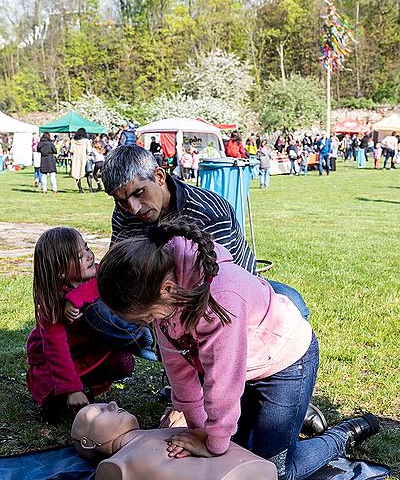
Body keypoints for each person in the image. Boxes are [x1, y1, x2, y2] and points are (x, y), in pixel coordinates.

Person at [96, 220, 380, 480]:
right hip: (246, 367)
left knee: (270, 472)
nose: (148, 324)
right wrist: (198, 429)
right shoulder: (161, 293)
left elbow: (223, 379)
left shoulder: (221, 298)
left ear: (166, 290)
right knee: (239, 450)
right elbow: (177, 367)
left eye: (146, 317)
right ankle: (289, 413)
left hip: (285, 361)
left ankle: (342, 435)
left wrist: (213, 443)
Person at [68, 145, 324, 435]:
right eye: (122, 201)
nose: (133, 209)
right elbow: (123, 278)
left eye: (139, 194)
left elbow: (229, 285)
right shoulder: (125, 213)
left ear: (159, 176)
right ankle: (197, 367)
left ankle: (281, 390)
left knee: (289, 301)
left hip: (224, 298)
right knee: (102, 312)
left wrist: (196, 416)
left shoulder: (208, 210)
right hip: (164, 303)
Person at [72, 401, 277, 480]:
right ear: (88, 442)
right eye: (97, 412)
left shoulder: (170, 428)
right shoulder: (114, 466)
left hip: (250, 477)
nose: (112, 404)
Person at [26, 227, 134, 421]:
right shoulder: (52, 303)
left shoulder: (98, 274)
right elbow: (56, 350)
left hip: (88, 352)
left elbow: (109, 278)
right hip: (58, 362)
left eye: (87, 248)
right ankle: (67, 395)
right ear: (60, 271)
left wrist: (76, 297)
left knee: (123, 362)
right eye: (79, 255)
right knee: (56, 409)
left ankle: (83, 389)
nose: (89, 255)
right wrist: (71, 388)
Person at [70, 128, 93, 193]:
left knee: (77, 174)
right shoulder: (86, 141)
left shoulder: (73, 141)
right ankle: (90, 189)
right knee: (88, 175)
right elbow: (89, 150)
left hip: (76, 159)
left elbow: (71, 151)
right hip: (84, 159)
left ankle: (80, 189)